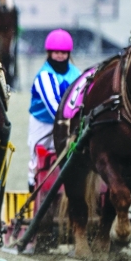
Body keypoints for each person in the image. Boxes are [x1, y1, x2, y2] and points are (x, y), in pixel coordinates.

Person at [27, 29, 81, 189]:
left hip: (67, 121)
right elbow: (53, 107)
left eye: (63, 53)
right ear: (49, 53)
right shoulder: (44, 76)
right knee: (39, 158)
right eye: (56, 52)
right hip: (43, 123)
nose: (60, 56)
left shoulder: (75, 73)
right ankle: (33, 187)